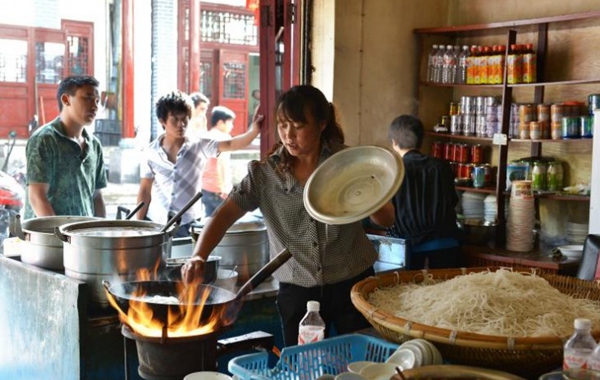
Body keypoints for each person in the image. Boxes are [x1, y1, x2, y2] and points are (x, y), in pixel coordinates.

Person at [181, 85, 395, 347]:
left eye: (298, 125)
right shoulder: (264, 174)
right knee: (302, 368)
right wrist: (198, 256)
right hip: (297, 291)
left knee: (362, 361)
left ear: (321, 124)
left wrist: (369, 194)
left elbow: (386, 220)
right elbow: (222, 216)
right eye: (283, 125)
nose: (289, 135)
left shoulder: (348, 163)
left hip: (353, 285)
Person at [136, 90, 262, 237]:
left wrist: (254, 131)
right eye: (175, 119)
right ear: (162, 121)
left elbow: (231, 144)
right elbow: (145, 191)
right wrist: (139, 226)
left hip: (188, 223)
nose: (181, 124)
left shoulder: (199, 145)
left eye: (185, 119)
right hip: (157, 223)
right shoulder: (150, 152)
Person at [24, 75, 107, 218]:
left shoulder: (94, 145)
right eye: (87, 98)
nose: (94, 106)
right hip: (47, 237)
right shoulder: (44, 140)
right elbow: (37, 197)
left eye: (97, 101)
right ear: (66, 100)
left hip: (83, 236)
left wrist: (102, 231)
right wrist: (61, 237)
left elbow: (97, 196)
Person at [387, 114, 462, 270]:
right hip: (447, 242)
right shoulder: (442, 166)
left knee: (412, 291)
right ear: (421, 140)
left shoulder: (394, 170)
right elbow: (453, 201)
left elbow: (389, 214)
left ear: (394, 142)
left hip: (411, 247)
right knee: (448, 291)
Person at [201, 106, 236, 217]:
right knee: (225, 221)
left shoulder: (206, 136)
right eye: (230, 123)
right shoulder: (223, 138)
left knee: (208, 222)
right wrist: (224, 188)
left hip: (205, 186)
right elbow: (221, 164)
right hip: (218, 188)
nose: (232, 126)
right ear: (221, 122)